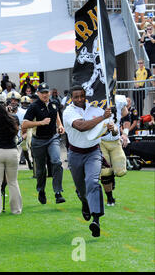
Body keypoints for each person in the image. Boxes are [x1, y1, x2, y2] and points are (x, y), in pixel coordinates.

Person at [63, 85, 113, 237]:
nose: (79, 99)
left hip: (93, 152)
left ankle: (96, 220)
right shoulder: (68, 112)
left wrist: (112, 128)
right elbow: (81, 126)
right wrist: (103, 117)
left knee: (92, 182)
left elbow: (108, 128)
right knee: (82, 188)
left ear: (86, 96)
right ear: (71, 98)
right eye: (76, 96)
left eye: (82, 96)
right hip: (75, 154)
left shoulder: (96, 110)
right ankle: (84, 202)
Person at [22, 83, 66, 205]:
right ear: (38, 94)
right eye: (43, 92)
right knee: (41, 170)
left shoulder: (53, 104)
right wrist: (40, 123)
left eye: (47, 92)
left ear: (50, 93)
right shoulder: (34, 106)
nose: (45, 94)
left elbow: (56, 114)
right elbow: (24, 124)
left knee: (57, 162)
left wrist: (60, 125)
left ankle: (58, 192)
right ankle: (41, 190)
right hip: (38, 141)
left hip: (53, 138)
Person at [100, 94, 129, 207]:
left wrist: (125, 134)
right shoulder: (96, 100)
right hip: (101, 141)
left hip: (116, 141)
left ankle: (113, 176)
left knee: (121, 171)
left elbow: (126, 117)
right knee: (105, 172)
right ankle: (110, 198)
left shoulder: (120, 100)